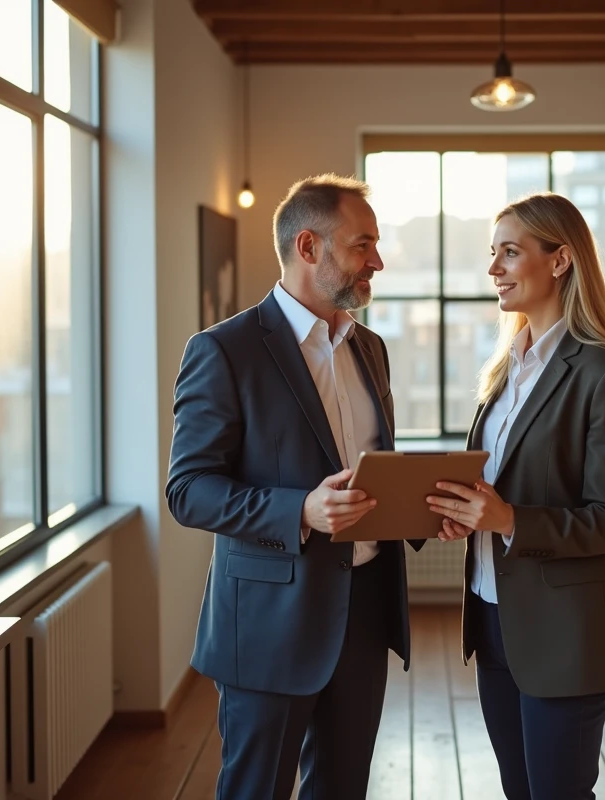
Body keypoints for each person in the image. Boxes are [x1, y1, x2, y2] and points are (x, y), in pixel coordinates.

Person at [166, 174, 412, 800]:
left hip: (364, 611)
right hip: (268, 625)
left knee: (343, 789)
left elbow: (372, 468)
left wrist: (421, 500)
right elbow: (189, 489)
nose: (376, 261)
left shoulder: (372, 350)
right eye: (363, 246)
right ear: (309, 247)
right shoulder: (223, 351)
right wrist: (300, 508)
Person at [426, 192, 605, 799]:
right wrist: (469, 515)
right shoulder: (503, 372)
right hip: (494, 616)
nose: (493, 268)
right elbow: (499, 488)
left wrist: (507, 518)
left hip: (565, 632)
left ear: (559, 260)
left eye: (509, 253)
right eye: (491, 254)